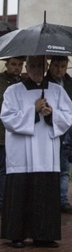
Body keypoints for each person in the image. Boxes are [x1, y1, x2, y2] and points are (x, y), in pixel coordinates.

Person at [0, 55, 72, 248]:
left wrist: (51, 114)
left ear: (46, 66)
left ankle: (44, 235)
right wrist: (33, 110)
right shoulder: (13, 91)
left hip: (46, 152)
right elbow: (7, 118)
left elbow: (68, 116)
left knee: (44, 192)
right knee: (20, 191)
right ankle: (17, 235)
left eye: (40, 66)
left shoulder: (57, 91)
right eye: (32, 66)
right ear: (27, 67)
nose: (36, 70)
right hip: (21, 151)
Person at [0, 56, 25, 213]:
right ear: (6, 65)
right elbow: (0, 105)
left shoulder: (23, 82)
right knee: (4, 168)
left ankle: (15, 201)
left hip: (19, 131)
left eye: (19, 64)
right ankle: (2, 203)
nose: (16, 67)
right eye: (13, 64)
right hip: (3, 133)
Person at [46, 56, 72, 213]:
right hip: (51, 128)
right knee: (49, 167)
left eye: (63, 66)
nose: (59, 69)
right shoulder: (45, 83)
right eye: (56, 66)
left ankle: (62, 198)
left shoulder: (69, 83)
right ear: (50, 65)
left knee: (64, 167)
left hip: (68, 131)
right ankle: (49, 198)